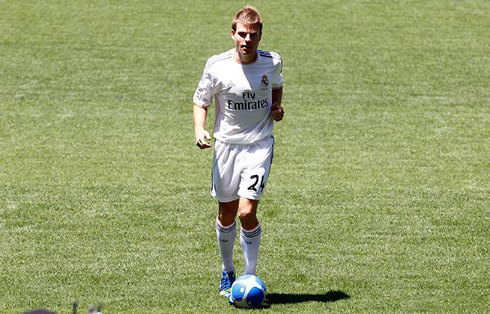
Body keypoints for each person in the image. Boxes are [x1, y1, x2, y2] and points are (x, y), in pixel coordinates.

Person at [192, 5, 284, 298]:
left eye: (252, 35)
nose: (247, 40)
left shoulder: (272, 62)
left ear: (260, 36)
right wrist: (199, 129)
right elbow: (201, 101)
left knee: (247, 211)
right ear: (232, 34)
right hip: (226, 148)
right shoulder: (217, 66)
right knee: (227, 214)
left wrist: (276, 107)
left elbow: (277, 86)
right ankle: (228, 270)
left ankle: (250, 275)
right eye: (242, 34)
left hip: (258, 146)